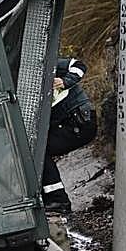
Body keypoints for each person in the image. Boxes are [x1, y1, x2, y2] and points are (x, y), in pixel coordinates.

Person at [41, 56, 97, 214]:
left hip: (79, 122)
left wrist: (65, 81)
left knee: (40, 152)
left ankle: (58, 201)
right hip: (67, 122)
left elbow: (79, 65)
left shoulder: (46, 64)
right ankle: (50, 198)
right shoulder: (26, 82)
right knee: (37, 150)